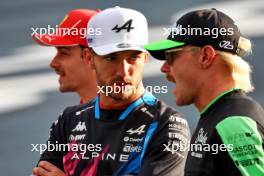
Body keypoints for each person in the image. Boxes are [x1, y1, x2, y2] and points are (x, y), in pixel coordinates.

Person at [32, 6, 190, 176]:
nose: (123, 71)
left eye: (133, 57)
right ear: (89, 58)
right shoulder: (68, 120)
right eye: (110, 58)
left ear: (145, 58)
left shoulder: (167, 124)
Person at [145, 8, 264, 176]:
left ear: (205, 56)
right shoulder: (218, 117)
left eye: (171, 57)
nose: (164, 68)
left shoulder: (233, 123)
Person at [32, 9, 98, 103]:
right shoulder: (76, 115)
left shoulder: (122, 115)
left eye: (63, 53)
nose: (53, 64)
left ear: (90, 58)